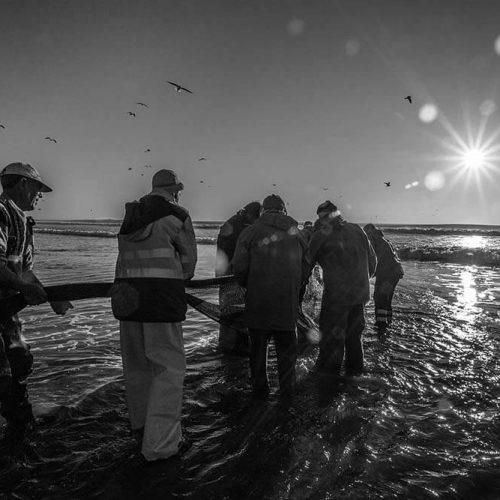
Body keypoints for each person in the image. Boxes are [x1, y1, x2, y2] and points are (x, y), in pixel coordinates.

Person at [111, 169, 197, 463]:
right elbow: (188, 266)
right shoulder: (179, 214)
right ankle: (161, 446)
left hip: (127, 299)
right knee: (169, 369)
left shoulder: (131, 214)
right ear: (174, 190)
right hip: (161, 300)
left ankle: (141, 429)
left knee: (137, 366)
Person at [0, 163, 72, 444]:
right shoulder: (2, 212)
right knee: (5, 373)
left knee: (19, 361)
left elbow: (24, 270)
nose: (40, 196)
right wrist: (25, 289)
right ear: (22, 184)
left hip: (6, 309)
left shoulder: (24, 222)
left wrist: (49, 296)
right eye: (38, 189)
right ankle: (18, 434)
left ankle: (21, 426)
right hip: (4, 305)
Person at [232, 194, 308, 402]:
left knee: (257, 353)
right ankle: (287, 395)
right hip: (287, 304)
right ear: (284, 210)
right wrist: (295, 285)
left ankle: (259, 395)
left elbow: (239, 267)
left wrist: (251, 284)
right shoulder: (297, 233)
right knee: (287, 355)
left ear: (264, 211)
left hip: (258, 302)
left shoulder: (249, 232)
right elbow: (306, 265)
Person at [308, 204, 376, 378]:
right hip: (360, 294)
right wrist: (361, 281)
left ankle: (330, 378)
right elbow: (373, 262)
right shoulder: (357, 230)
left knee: (333, 337)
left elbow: (306, 264)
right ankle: (355, 376)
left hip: (336, 297)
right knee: (354, 337)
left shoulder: (321, 235)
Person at [215, 201, 261, 354]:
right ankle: (237, 349)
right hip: (235, 277)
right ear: (251, 215)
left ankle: (226, 346)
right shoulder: (241, 229)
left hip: (225, 277)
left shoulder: (232, 223)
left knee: (228, 314)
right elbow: (240, 257)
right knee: (238, 315)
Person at [363, 223, 404, 330]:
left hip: (387, 273)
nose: (365, 235)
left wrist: (368, 274)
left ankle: (381, 323)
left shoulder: (375, 240)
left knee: (380, 297)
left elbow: (376, 259)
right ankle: (388, 321)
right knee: (387, 298)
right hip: (395, 271)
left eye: (366, 232)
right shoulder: (383, 239)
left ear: (370, 231)